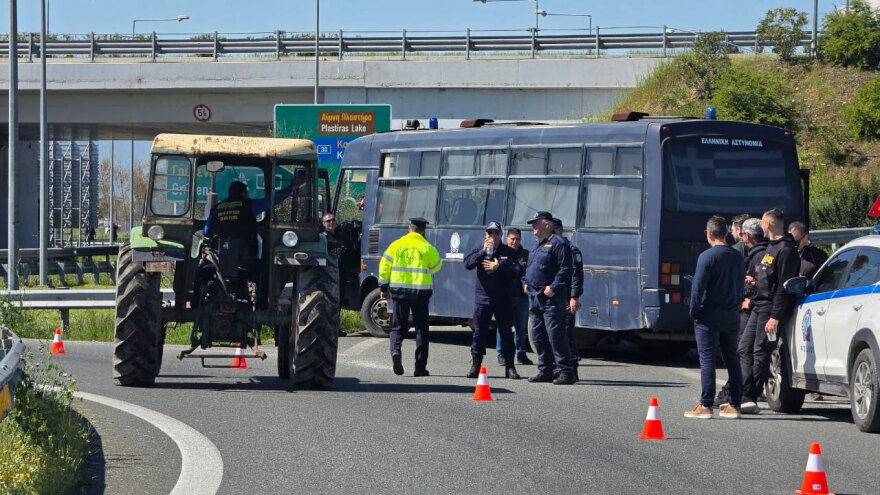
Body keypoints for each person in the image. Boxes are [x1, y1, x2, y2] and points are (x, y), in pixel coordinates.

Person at [738, 208, 800, 414]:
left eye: (763, 222)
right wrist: (755, 283)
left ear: (769, 224)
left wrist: (775, 317)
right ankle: (743, 390)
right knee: (743, 348)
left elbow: (784, 286)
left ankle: (750, 396)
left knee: (760, 351)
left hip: (771, 310)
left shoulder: (786, 250)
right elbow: (769, 277)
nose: (761, 226)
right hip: (759, 304)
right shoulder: (771, 247)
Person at [685, 215, 744, 419]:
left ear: (709, 234)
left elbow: (697, 288)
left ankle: (706, 404)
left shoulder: (707, 257)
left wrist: (694, 312)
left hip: (709, 315)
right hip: (731, 315)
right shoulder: (737, 256)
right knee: (732, 359)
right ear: (726, 233)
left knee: (708, 359)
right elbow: (740, 286)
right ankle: (735, 403)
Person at [378, 217, 442, 377]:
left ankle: (395, 351)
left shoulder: (397, 245)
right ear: (423, 231)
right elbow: (436, 267)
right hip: (420, 293)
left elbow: (384, 265)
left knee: (398, 326)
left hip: (399, 292)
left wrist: (384, 287)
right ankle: (420, 368)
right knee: (422, 330)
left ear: (409, 229)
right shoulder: (427, 247)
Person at [714, 217, 766, 407]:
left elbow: (767, 285)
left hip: (751, 309)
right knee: (746, 351)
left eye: (742, 234)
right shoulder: (757, 253)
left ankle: (741, 393)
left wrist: (749, 301)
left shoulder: (756, 255)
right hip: (752, 308)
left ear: (746, 235)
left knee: (744, 351)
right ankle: (738, 392)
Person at [464, 221, 523, 380]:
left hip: (503, 300)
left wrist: (499, 268)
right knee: (479, 334)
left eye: (496, 233)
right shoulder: (480, 250)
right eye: (490, 233)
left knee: (506, 334)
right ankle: (476, 365)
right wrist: (482, 251)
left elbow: (518, 271)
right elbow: (467, 264)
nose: (492, 236)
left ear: (501, 235)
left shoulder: (508, 252)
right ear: (486, 235)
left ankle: (510, 367)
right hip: (483, 299)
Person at [522, 211, 575, 385]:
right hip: (534, 296)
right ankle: (544, 370)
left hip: (551, 298)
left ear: (546, 224)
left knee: (555, 335)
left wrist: (553, 288)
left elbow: (566, 270)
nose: (533, 227)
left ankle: (566, 372)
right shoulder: (537, 244)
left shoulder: (558, 244)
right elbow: (529, 268)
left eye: (536, 223)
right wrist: (525, 283)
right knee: (537, 336)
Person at [495, 228, 533, 366]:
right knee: (503, 326)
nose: (514, 242)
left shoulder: (526, 255)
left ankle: (521, 354)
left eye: (517, 239)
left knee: (521, 327)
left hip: (521, 297)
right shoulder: (502, 253)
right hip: (506, 296)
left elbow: (529, 273)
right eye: (512, 239)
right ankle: (501, 353)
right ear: (507, 239)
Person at [553, 218, 584, 380]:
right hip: (553, 297)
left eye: (553, 230)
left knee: (566, 332)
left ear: (559, 230)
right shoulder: (552, 248)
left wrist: (574, 297)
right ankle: (559, 366)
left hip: (566, 298)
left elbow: (576, 276)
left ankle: (572, 367)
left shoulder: (571, 250)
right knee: (554, 332)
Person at [322, 213, 353, 337]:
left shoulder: (342, 237)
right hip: (327, 276)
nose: (331, 223)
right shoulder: (322, 238)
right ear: (323, 224)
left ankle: (335, 328)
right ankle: (325, 327)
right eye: (328, 221)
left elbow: (350, 252)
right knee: (327, 302)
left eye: (333, 220)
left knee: (337, 302)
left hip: (341, 275)